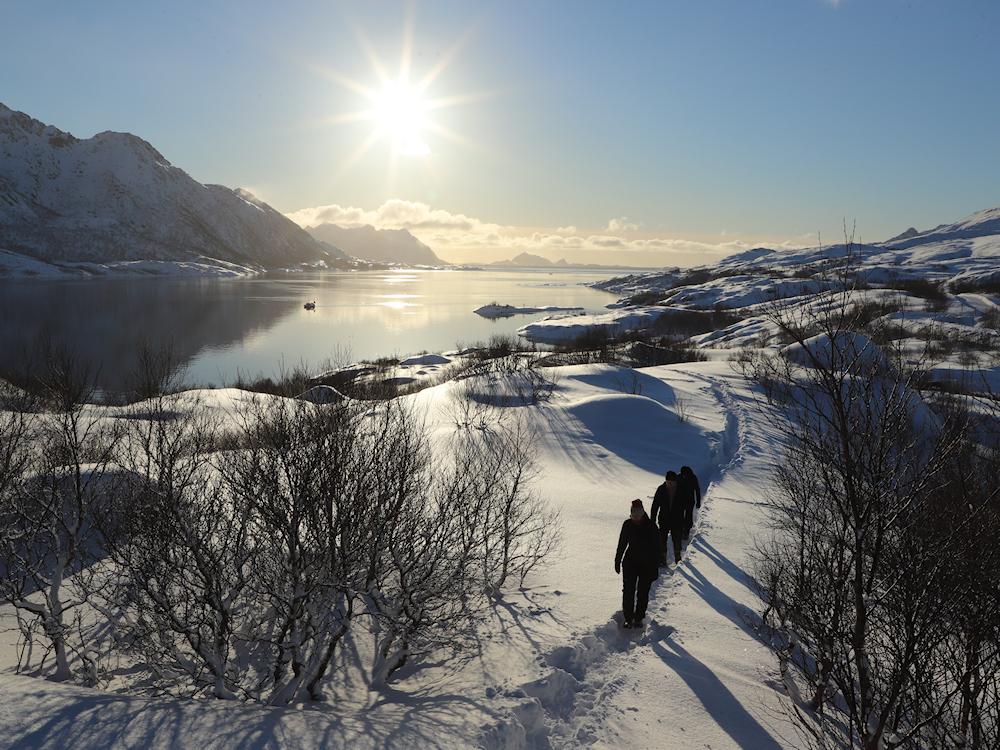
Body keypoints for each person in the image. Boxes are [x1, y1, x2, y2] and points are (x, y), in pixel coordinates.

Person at [614, 499, 660, 629]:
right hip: (630, 563)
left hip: (647, 564)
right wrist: (617, 560)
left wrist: (655, 567)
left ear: (643, 512)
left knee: (642, 592)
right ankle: (628, 618)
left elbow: (657, 548)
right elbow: (622, 544)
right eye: (634, 514)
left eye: (638, 513)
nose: (636, 517)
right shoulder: (627, 525)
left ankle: (639, 618)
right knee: (628, 591)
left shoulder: (651, 526)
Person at [651, 470, 685, 565]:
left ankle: (678, 558)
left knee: (677, 539)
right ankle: (662, 559)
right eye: (668, 481)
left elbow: (686, 505)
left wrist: (685, 520)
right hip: (663, 519)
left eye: (672, 482)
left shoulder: (681, 490)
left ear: (675, 481)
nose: (670, 484)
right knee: (662, 540)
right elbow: (655, 505)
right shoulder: (661, 489)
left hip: (677, 520)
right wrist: (652, 520)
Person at [678, 465, 702, 540]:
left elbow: (697, 490)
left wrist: (698, 502)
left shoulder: (693, 478)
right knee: (680, 516)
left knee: (688, 516)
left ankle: (686, 532)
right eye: (682, 474)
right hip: (680, 500)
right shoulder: (679, 476)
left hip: (690, 500)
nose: (683, 476)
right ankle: (681, 530)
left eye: (685, 475)